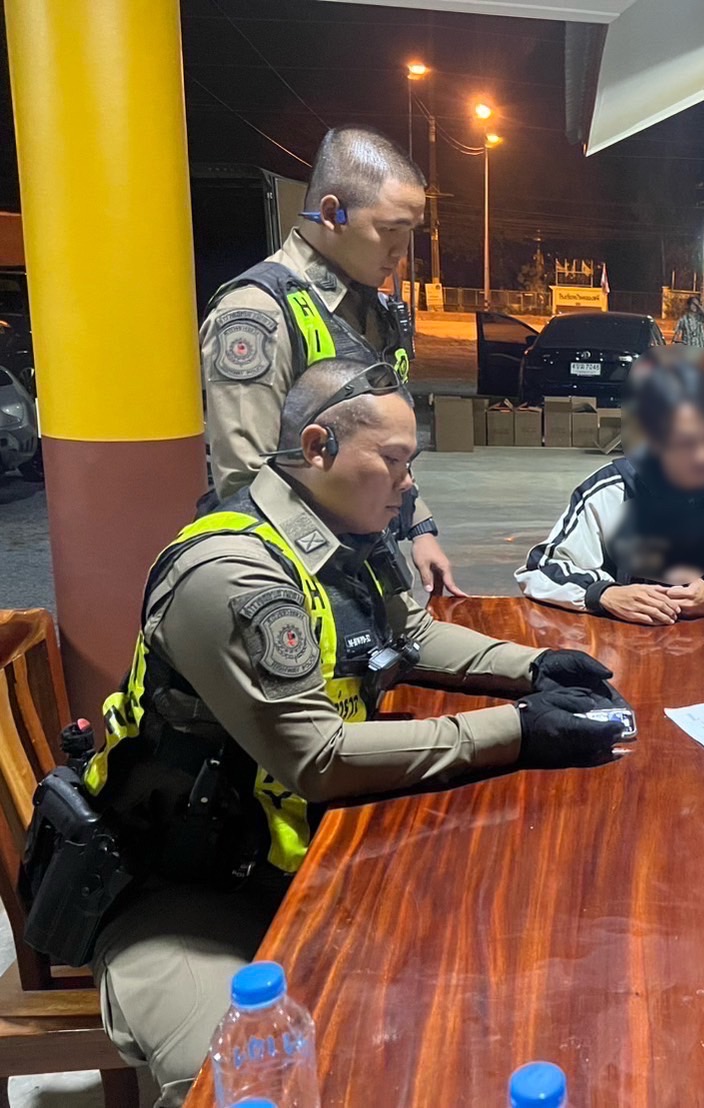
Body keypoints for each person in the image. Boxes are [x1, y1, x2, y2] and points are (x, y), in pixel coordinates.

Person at [82, 362, 625, 1105]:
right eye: (394, 460)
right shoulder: (236, 573)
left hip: (303, 854)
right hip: (184, 892)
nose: (409, 483)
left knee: (486, 997)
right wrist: (520, 729)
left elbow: (413, 635)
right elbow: (319, 758)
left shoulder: (345, 537)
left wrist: (533, 667)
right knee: (248, 1083)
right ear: (318, 447)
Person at [199, 125, 462, 597]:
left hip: (361, 556)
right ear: (331, 213)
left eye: (410, 233)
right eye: (389, 230)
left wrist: (418, 527)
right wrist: (337, 584)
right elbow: (245, 479)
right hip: (292, 571)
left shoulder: (373, 310)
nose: (400, 252)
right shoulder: (258, 313)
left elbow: (386, 445)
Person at [517, 356, 704, 623]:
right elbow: (540, 569)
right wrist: (604, 594)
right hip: (635, 641)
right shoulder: (611, 487)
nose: (702, 456)